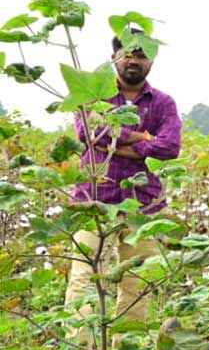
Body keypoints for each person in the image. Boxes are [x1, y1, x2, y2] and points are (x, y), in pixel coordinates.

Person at [64, 31, 182, 333]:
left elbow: (170, 147)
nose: (133, 60)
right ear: (114, 56)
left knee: (136, 284)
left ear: (151, 61)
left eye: (141, 55)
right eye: (127, 53)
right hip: (94, 199)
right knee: (85, 278)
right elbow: (89, 133)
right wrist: (144, 137)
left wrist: (121, 141)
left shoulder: (163, 103)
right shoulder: (95, 92)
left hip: (143, 206)